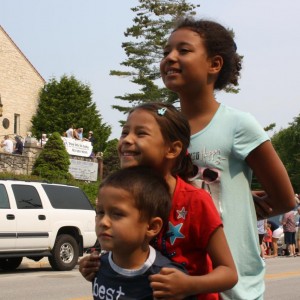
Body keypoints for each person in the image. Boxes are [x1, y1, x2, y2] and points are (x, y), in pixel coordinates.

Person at [159, 17, 295, 299]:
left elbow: (284, 199)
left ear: (214, 64)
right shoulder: (160, 126)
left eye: (183, 50)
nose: (170, 58)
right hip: (174, 277)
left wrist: (238, 206)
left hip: (231, 284)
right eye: (165, 52)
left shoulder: (238, 125)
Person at [80, 102, 238, 299]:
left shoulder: (195, 202)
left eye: (141, 133)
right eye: (124, 132)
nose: (127, 140)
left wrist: (188, 284)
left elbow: (229, 273)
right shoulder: (119, 195)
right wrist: (97, 266)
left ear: (172, 149)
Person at [93, 165, 195, 300]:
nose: (103, 222)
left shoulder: (167, 279)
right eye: (100, 212)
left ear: (152, 227)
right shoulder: (96, 267)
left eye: (117, 214)